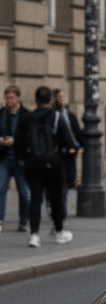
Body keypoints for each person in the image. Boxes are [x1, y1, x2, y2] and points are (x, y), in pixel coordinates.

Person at [15, 85, 78, 247]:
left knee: (35, 199)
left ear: (35, 101)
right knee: (56, 199)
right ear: (51, 101)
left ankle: (34, 236)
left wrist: (23, 161)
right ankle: (59, 232)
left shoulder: (26, 118)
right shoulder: (57, 117)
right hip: (53, 165)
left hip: (33, 165)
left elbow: (19, 143)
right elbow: (70, 142)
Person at [0, 84, 32, 238]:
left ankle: (24, 220)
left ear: (18, 98)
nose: (8, 100)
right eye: (6, 97)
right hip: (4, 159)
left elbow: (29, 138)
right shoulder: (1, 114)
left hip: (20, 159)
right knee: (0, 189)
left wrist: (15, 141)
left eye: (11, 97)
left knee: (25, 193)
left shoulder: (26, 115)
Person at [53, 88, 83, 216]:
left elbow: (75, 131)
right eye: (59, 97)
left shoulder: (69, 115)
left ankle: (61, 209)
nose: (61, 100)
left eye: (62, 97)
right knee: (59, 184)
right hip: (57, 153)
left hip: (70, 153)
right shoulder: (52, 116)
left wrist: (77, 146)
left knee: (65, 183)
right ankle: (58, 208)